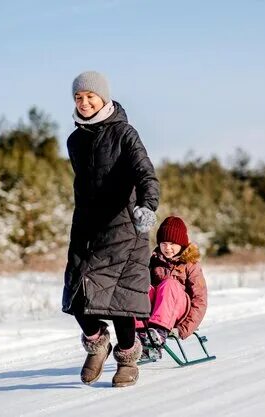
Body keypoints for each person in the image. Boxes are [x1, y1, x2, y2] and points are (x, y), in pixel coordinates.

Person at [61, 71, 160, 388]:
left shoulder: (124, 133)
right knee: (76, 298)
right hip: (87, 230)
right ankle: (97, 342)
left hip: (124, 229)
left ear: (103, 98)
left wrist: (148, 204)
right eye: (79, 97)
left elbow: (145, 172)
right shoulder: (75, 140)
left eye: (91, 96)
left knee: (119, 303)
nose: (85, 102)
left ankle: (129, 358)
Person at [136, 216, 208, 358]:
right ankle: (140, 334)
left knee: (169, 284)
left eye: (172, 243)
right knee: (141, 287)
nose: (167, 248)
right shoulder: (154, 262)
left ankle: (159, 333)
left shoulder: (191, 265)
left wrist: (183, 329)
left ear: (181, 243)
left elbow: (200, 300)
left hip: (180, 312)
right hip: (157, 310)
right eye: (163, 243)